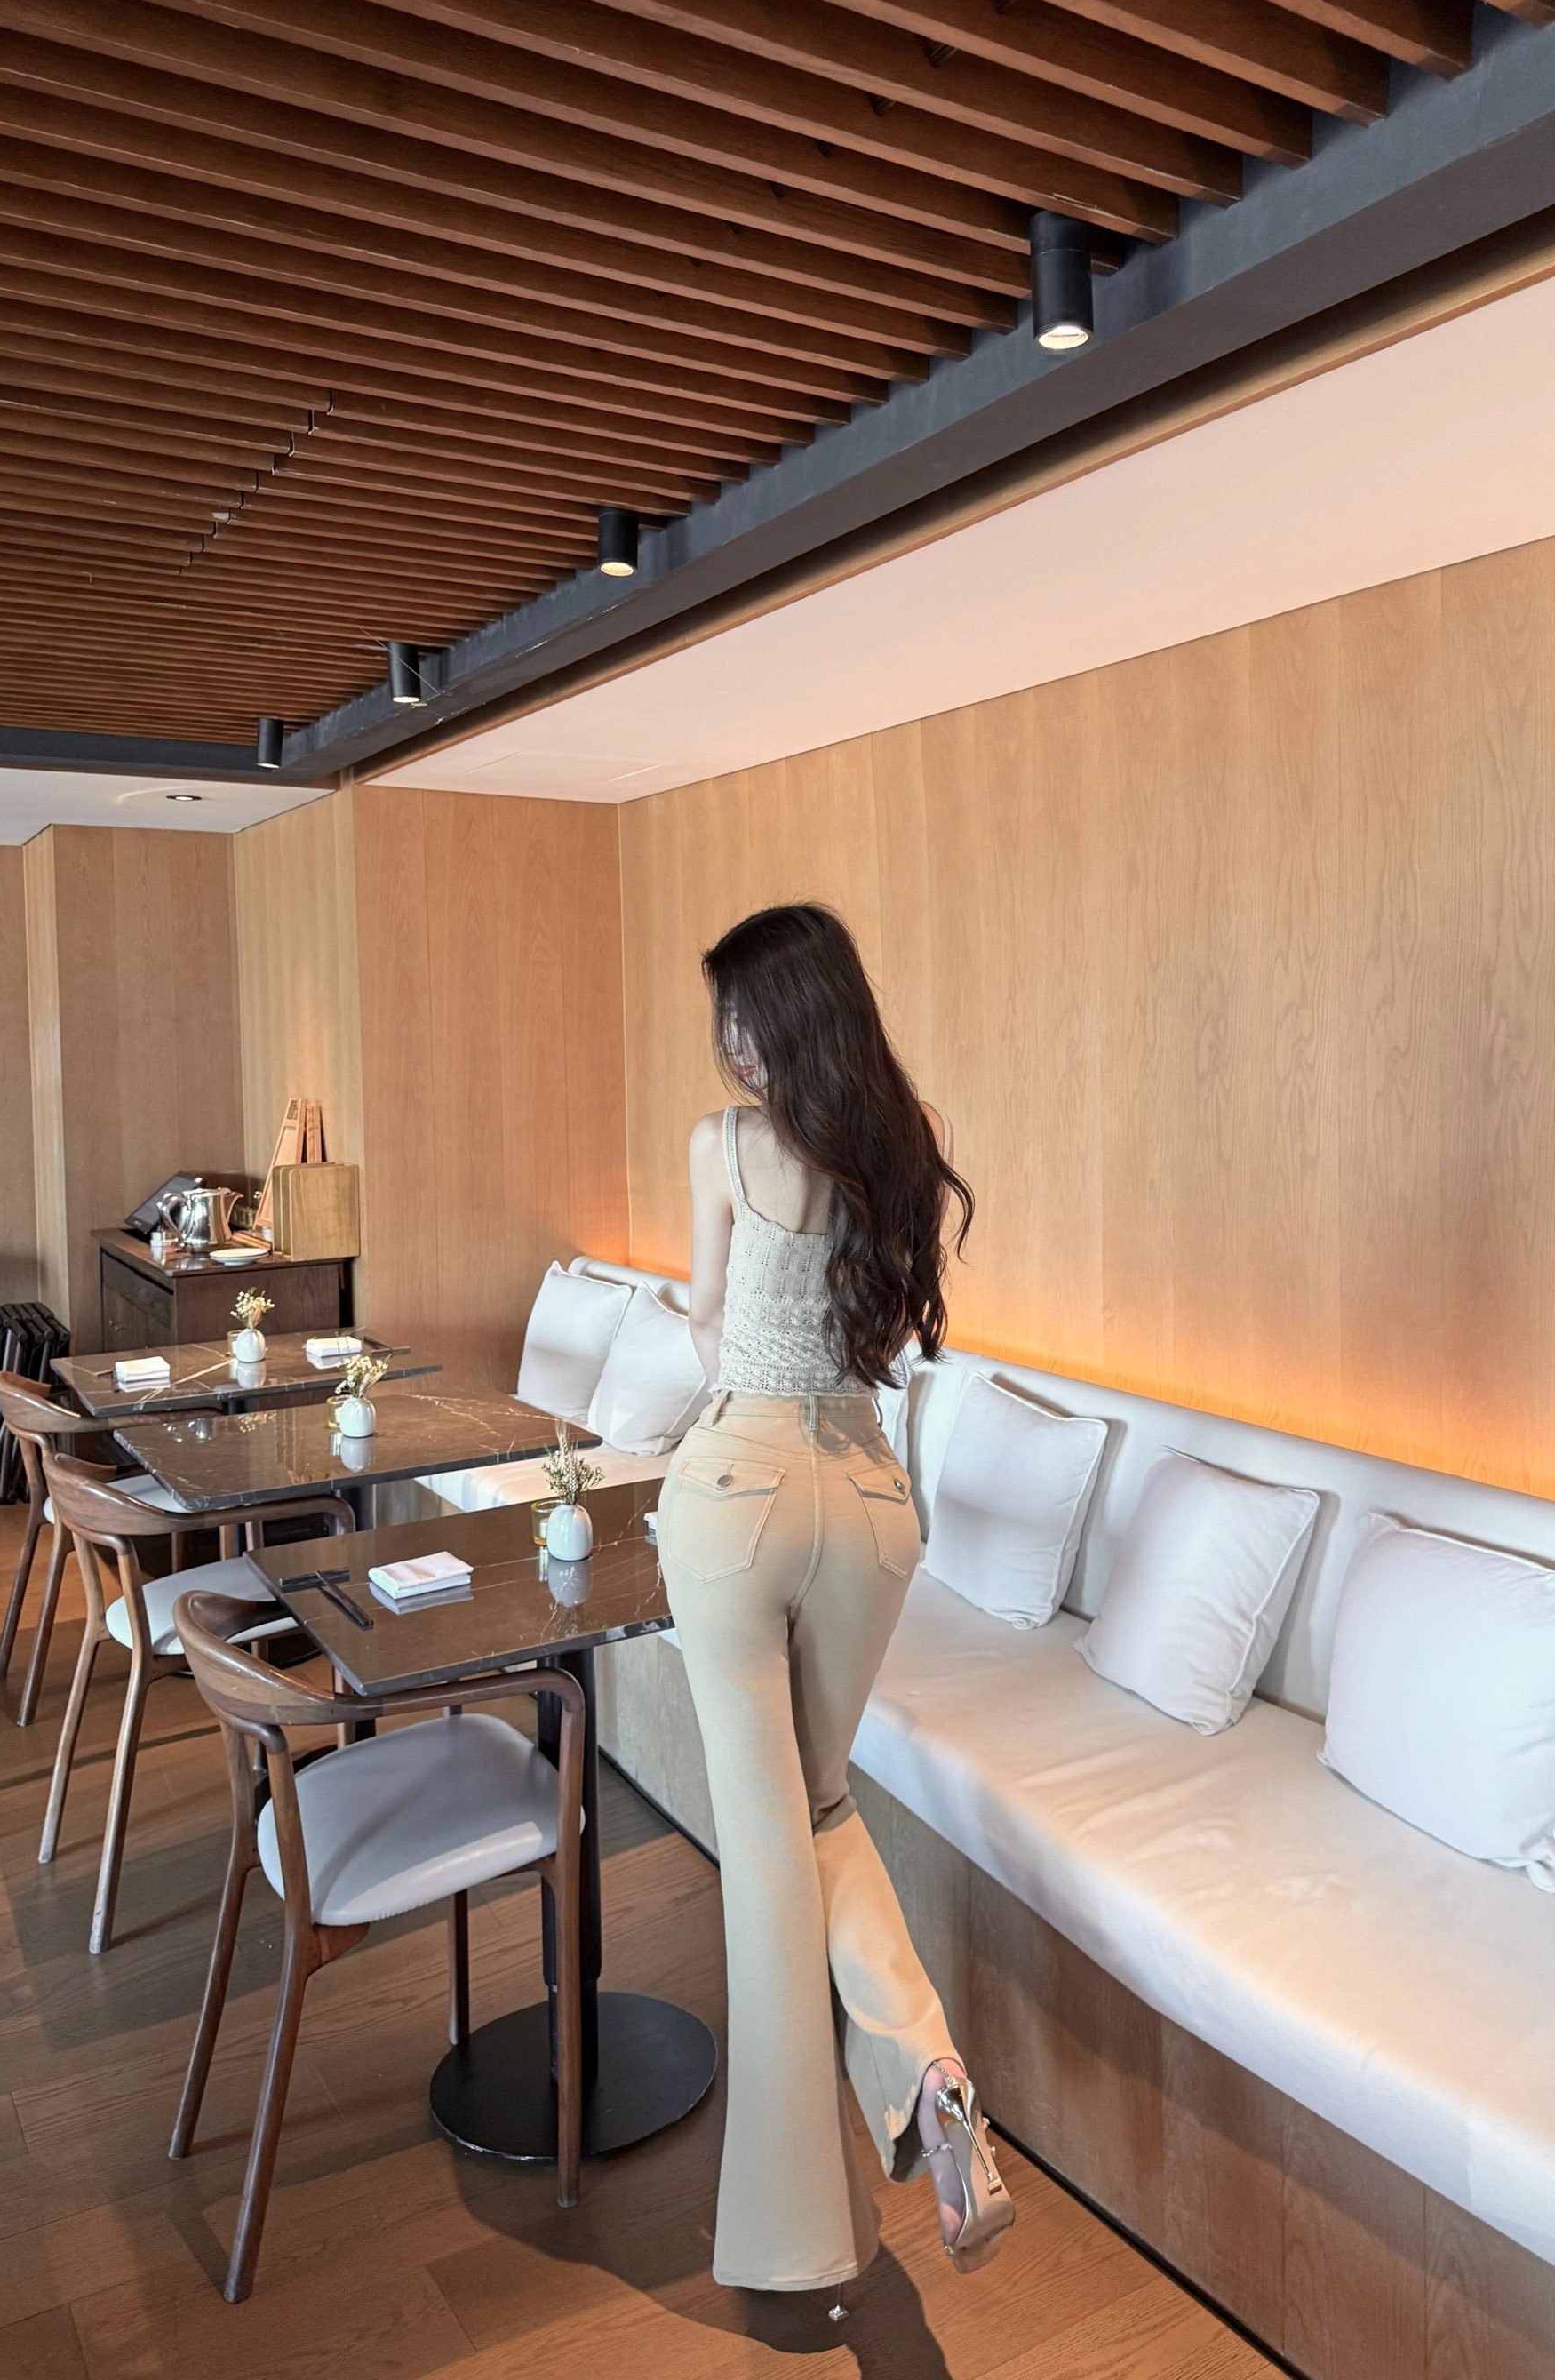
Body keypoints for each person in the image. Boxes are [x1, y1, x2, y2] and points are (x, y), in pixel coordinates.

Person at [655, 901, 1016, 2300]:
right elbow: (883, 1334)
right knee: (816, 1810)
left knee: (768, 1853)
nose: (732, 1043)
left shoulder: (722, 1144)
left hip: (739, 1491)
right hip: (868, 1506)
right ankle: (929, 2074)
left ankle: (793, 2237)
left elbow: (707, 1321)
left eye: (745, 1015)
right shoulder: (906, 1142)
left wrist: (739, 1367)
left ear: (794, 1015)